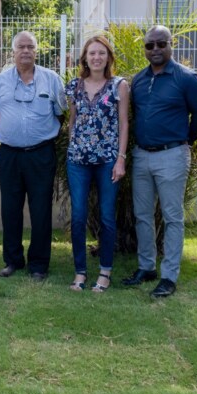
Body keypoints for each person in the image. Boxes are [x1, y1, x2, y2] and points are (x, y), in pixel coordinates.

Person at [122, 25, 197, 298]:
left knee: (172, 217)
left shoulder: (186, 79)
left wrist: (184, 142)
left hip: (172, 155)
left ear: (171, 45)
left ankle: (169, 276)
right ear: (145, 49)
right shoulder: (138, 80)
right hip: (142, 155)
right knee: (142, 215)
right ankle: (147, 267)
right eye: (150, 46)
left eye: (161, 44)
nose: (156, 50)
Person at [0, 31, 67, 281]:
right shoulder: (0, 81)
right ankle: (12, 260)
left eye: (30, 47)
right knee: (10, 208)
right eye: (21, 47)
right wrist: (15, 134)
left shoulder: (52, 79)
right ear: (13, 52)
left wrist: (36, 134)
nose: (25, 51)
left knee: (41, 209)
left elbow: (61, 113)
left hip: (41, 154)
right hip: (9, 154)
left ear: (36, 51)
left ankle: (39, 264)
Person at [65, 35, 129, 292]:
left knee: (106, 216)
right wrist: (73, 144)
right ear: (85, 58)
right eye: (92, 53)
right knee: (78, 216)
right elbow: (72, 120)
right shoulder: (74, 86)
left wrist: (120, 159)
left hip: (107, 161)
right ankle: (80, 272)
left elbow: (124, 123)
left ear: (108, 57)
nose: (96, 57)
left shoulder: (119, 86)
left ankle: (105, 272)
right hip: (78, 160)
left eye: (101, 53)